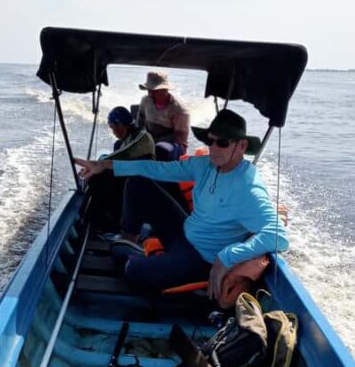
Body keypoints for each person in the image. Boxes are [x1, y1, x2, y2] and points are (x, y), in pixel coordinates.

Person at [75, 109, 288, 305]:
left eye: (222, 143)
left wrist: (226, 257)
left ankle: (142, 259)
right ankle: (129, 239)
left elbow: (278, 235)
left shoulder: (248, 189)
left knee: (134, 272)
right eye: (210, 141)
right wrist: (104, 165)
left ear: (241, 146)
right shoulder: (205, 164)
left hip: (200, 257)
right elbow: (155, 168)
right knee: (138, 182)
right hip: (183, 232)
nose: (213, 148)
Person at [87, 106, 155, 232]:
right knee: (97, 180)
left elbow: (127, 154)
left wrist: (99, 164)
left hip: (142, 180)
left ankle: (110, 223)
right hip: (128, 175)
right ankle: (96, 220)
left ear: (124, 124)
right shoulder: (120, 142)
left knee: (100, 179)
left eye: (114, 127)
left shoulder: (141, 137)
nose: (114, 131)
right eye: (112, 128)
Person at [137, 71, 190, 160]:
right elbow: (139, 124)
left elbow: (180, 138)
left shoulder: (179, 109)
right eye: (149, 90)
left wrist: (153, 143)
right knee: (121, 144)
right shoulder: (145, 101)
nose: (151, 94)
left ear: (165, 90)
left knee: (161, 149)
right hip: (150, 139)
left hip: (173, 144)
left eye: (154, 91)